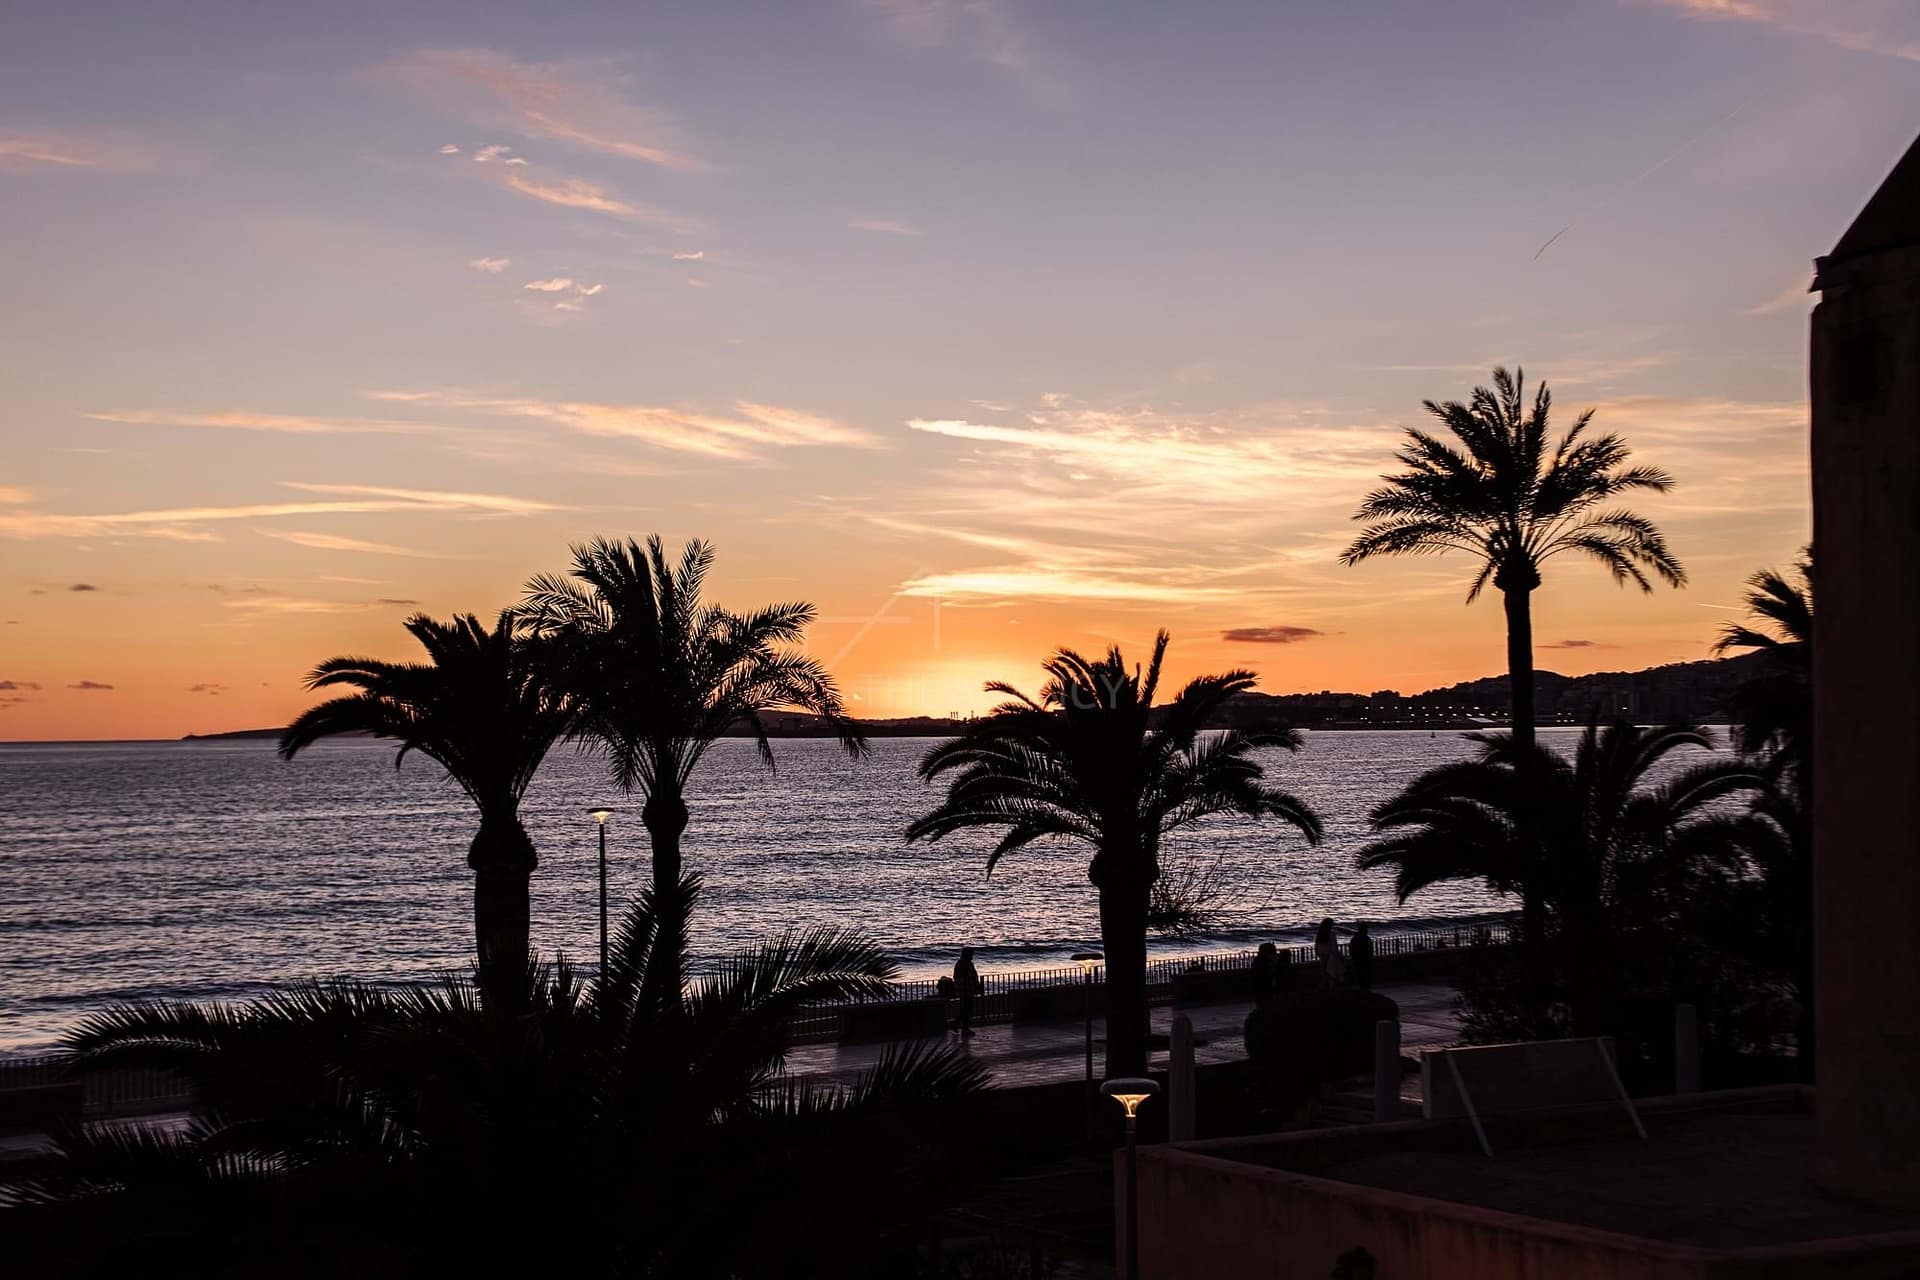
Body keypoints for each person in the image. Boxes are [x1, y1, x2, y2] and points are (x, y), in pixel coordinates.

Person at [953, 947, 980, 1037]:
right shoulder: (963, 964)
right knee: (966, 1009)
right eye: (971, 954)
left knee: (966, 1009)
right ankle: (964, 1028)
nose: (972, 956)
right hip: (965, 990)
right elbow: (964, 977)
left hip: (967, 989)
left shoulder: (966, 963)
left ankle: (958, 1024)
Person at [1314, 917, 1347, 987]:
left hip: (1322, 956)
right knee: (1330, 973)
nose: (1332, 925)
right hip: (1329, 956)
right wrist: (1339, 955)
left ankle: (1325, 987)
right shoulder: (1332, 934)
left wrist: (1318, 953)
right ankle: (1330, 987)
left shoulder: (1320, 934)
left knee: (1324, 973)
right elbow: (1334, 947)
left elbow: (1316, 946)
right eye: (1331, 924)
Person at [1250, 941, 1279, 1006]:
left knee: (1262, 1000)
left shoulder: (1258, 960)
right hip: (1264, 984)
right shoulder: (1266, 961)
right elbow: (1270, 973)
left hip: (1260, 985)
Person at [1349, 921, 1375, 991]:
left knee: (1359, 974)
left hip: (1356, 959)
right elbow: (1370, 949)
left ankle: (1361, 987)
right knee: (1366, 974)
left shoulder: (1354, 939)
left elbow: (1351, 949)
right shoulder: (1367, 938)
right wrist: (1371, 957)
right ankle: (1365, 988)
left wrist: (1352, 957)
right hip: (1365, 959)